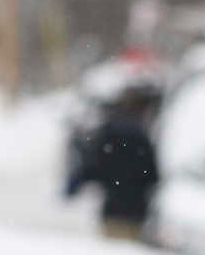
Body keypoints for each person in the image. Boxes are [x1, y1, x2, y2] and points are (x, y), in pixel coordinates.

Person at [65, 86, 162, 242]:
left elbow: (92, 168)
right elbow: (153, 176)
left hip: (112, 210)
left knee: (114, 254)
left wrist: (73, 186)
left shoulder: (107, 135)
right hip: (137, 212)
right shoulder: (142, 137)